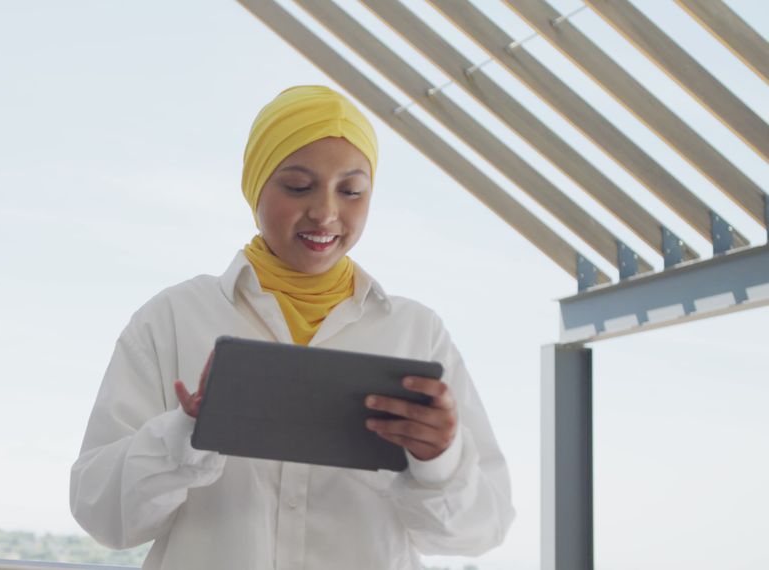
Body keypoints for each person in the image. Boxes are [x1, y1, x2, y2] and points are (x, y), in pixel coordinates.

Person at [70, 85, 515, 569]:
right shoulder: (173, 318)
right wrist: (186, 432)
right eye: (298, 186)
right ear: (255, 186)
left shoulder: (417, 332)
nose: (325, 212)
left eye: (351, 191)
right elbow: (103, 517)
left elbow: (481, 531)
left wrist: (440, 460)